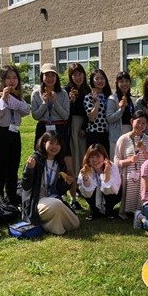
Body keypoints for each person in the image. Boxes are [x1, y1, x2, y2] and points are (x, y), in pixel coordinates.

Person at [31, 64, 79, 209]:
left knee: (66, 164)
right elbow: (35, 115)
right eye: (47, 75)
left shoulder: (63, 93)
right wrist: (45, 102)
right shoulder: (36, 94)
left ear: (56, 77)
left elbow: (65, 114)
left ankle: (73, 198)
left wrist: (55, 101)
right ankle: (39, 195)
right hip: (43, 128)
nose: (50, 78)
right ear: (42, 77)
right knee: (42, 163)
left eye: (53, 75)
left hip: (60, 128)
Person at [0, 65, 30, 206]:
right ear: (2, 79)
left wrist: (12, 100)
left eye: (15, 78)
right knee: (0, 168)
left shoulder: (17, 94)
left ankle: (11, 199)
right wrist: (4, 99)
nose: (12, 81)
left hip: (14, 132)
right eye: (8, 78)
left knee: (13, 166)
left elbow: (26, 110)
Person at [21, 131, 80, 235]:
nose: (54, 147)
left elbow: (59, 190)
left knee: (75, 223)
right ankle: (56, 229)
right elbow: (25, 185)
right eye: (51, 143)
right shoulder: (35, 159)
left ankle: (45, 225)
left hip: (52, 200)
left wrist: (67, 184)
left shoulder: (59, 163)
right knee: (57, 204)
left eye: (58, 144)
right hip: (36, 203)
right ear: (44, 143)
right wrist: (29, 170)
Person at [114, 110, 148, 219]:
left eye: (143, 123)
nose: (140, 125)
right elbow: (116, 160)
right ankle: (127, 211)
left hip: (143, 175)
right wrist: (129, 161)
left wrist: (144, 151)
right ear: (132, 121)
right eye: (138, 122)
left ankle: (141, 211)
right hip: (128, 174)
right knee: (129, 191)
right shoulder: (123, 139)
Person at [65, 62, 91, 210]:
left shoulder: (87, 90)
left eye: (80, 74)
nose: (78, 77)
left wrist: (85, 127)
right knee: (73, 159)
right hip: (71, 128)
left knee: (83, 158)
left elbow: (91, 112)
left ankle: (83, 189)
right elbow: (63, 111)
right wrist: (69, 101)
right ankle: (72, 194)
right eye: (74, 74)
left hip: (83, 128)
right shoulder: (67, 90)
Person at [77, 144, 121, 220]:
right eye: (91, 157)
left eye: (98, 156)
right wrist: (85, 177)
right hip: (93, 195)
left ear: (104, 157)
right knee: (86, 187)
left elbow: (112, 189)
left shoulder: (112, 167)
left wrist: (107, 173)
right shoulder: (86, 168)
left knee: (109, 187)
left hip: (111, 195)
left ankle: (109, 210)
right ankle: (95, 211)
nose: (94, 160)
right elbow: (86, 191)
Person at [106, 71, 135, 160]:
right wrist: (121, 110)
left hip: (129, 134)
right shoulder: (113, 98)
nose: (124, 84)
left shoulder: (131, 99)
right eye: (121, 81)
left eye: (126, 81)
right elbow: (109, 118)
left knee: (128, 162)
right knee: (116, 163)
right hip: (117, 135)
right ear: (117, 83)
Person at [84, 69, 112, 154]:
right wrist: (97, 102)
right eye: (97, 79)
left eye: (102, 78)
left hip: (107, 133)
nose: (100, 81)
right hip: (94, 133)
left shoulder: (109, 96)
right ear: (92, 81)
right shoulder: (88, 97)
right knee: (94, 158)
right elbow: (91, 117)